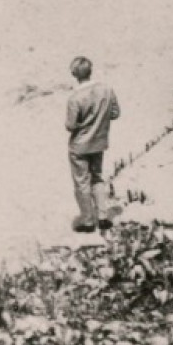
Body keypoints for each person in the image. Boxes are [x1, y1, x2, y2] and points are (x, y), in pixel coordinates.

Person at [65, 57, 121, 234]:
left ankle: (88, 220)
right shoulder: (106, 89)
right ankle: (103, 217)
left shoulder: (75, 98)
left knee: (82, 182)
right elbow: (115, 113)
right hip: (99, 141)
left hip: (80, 145)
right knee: (97, 177)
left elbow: (70, 125)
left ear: (74, 74)